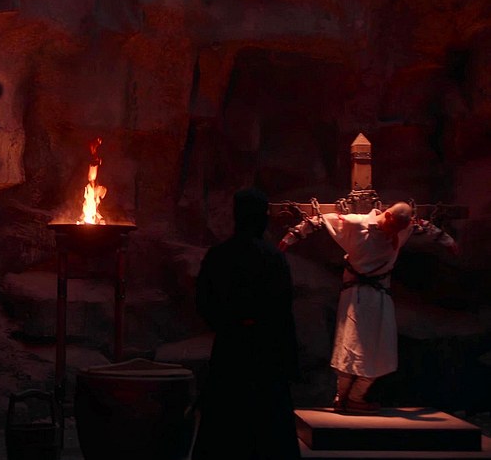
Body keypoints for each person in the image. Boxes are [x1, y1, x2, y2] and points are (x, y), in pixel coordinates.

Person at [278, 201, 459, 414]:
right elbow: (321, 220)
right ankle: (343, 397)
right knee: (350, 343)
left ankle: (355, 397)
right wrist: (291, 237)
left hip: (379, 298)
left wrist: (448, 241)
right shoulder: (356, 224)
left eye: (400, 229)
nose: (395, 233)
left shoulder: (403, 227)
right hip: (355, 296)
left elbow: (423, 225)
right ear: (388, 216)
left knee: (379, 347)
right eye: (394, 227)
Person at [193, 187, 302, 460]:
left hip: (230, 347)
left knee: (224, 420)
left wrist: (228, 325)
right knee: (268, 425)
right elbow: (283, 308)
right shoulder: (273, 257)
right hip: (266, 351)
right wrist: (289, 357)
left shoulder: (219, 255)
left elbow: (204, 300)